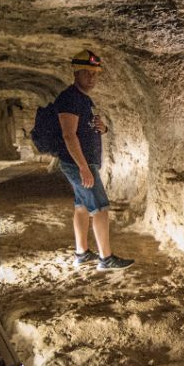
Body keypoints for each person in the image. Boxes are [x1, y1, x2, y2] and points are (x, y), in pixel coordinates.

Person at [54, 50, 134, 270]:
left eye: (95, 74)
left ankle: (81, 252)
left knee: (81, 207)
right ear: (76, 73)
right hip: (79, 163)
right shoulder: (69, 98)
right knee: (100, 208)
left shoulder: (83, 99)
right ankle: (106, 258)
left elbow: (84, 129)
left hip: (83, 162)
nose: (92, 77)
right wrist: (83, 167)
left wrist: (103, 128)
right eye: (87, 73)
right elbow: (69, 135)